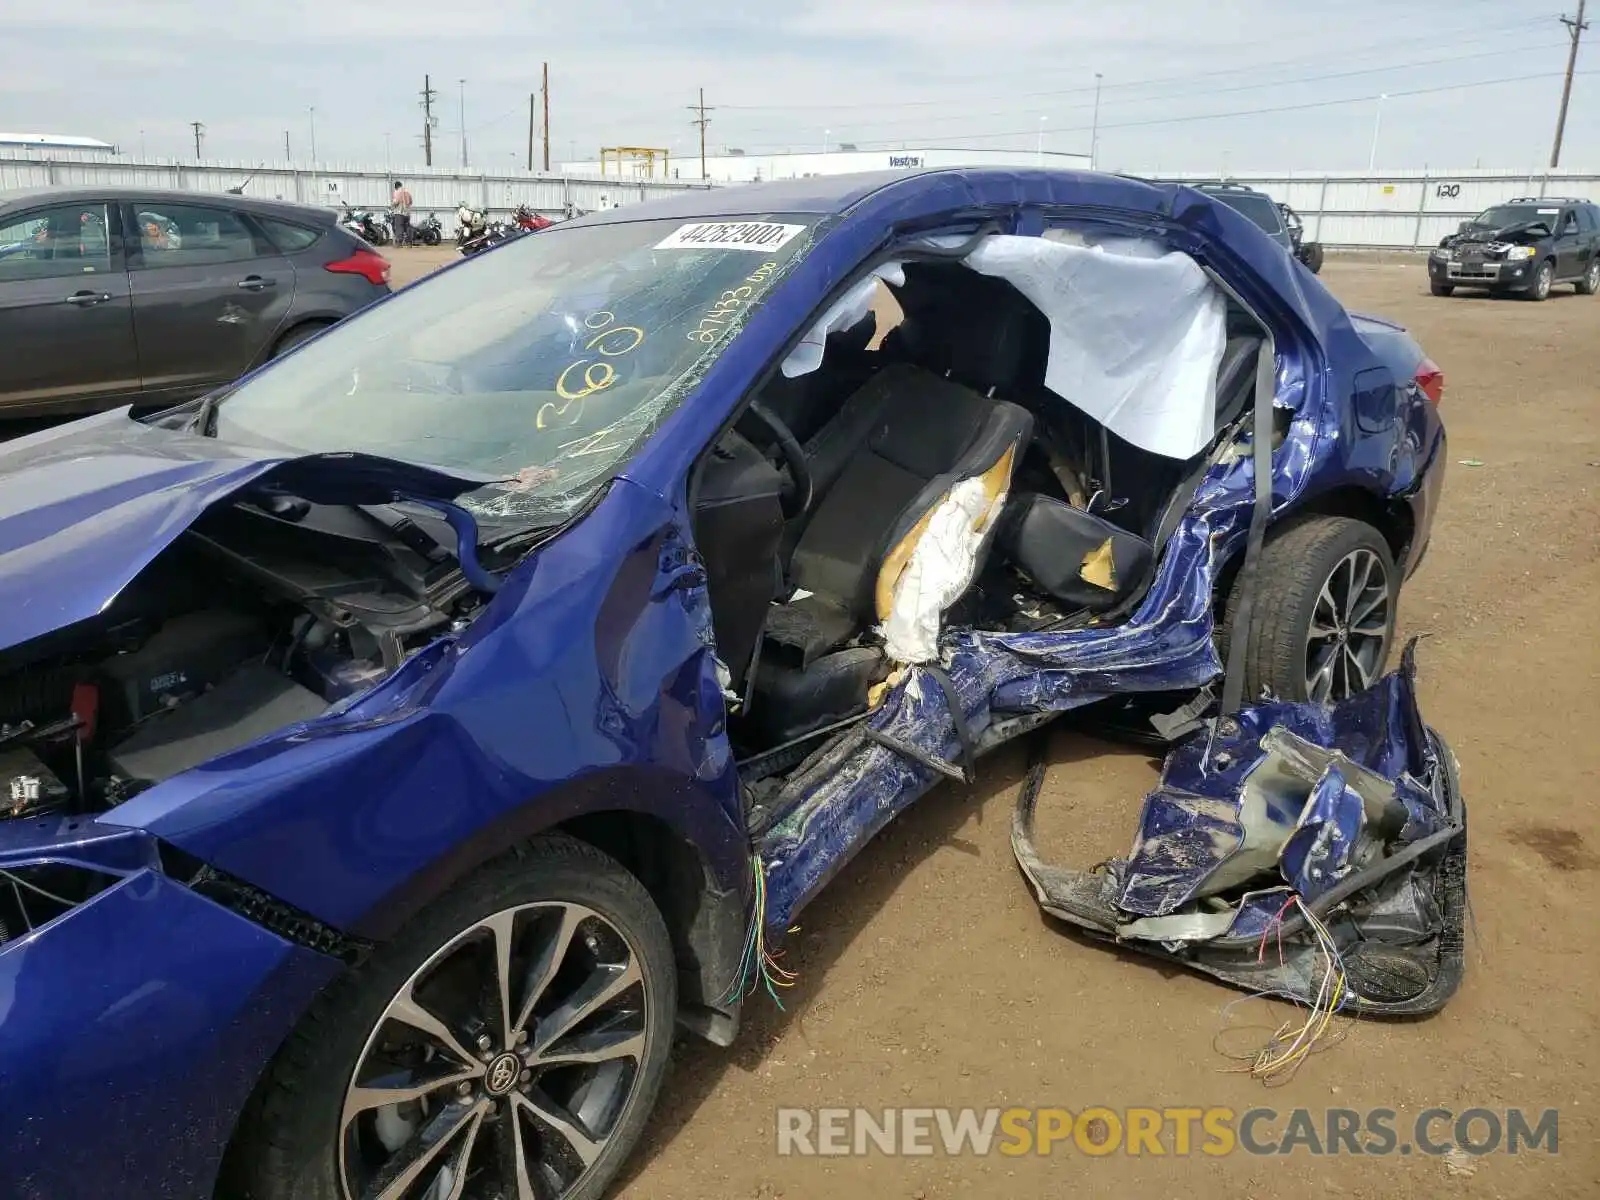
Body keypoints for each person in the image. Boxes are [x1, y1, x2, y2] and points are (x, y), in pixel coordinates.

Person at [390, 180, 413, 247]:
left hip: (399, 212)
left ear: (396, 187)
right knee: (407, 227)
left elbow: (395, 202)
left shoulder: (397, 192)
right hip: (407, 213)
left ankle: (399, 243)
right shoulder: (407, 192)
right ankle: (409, 242)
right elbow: (411, 201)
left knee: (399, 227)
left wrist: (392, 206)